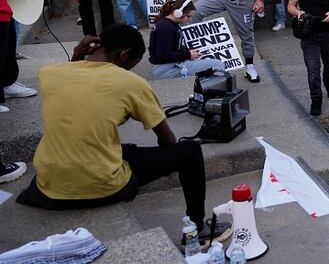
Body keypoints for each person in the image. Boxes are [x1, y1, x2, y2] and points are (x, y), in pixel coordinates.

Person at [17, 26, 215, 240]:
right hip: (104, 187)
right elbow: (167, 140)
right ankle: (197, 229)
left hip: (48, 188)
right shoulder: (131, 83)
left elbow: (75, 82)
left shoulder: (50, 74)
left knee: (122, 149)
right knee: (190, 151)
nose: (129, 71)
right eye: (131, 65)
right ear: (124, 55)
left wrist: (77, 53)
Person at [148, 0, 225, 79]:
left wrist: (187, 52)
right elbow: (163, 55)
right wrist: (188, 55)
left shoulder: (168, 24)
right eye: (188, 16)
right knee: (218, 64)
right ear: (178, 13)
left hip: (168, 66)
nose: (190, 19)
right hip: (168, 69)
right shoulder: (166, 28)